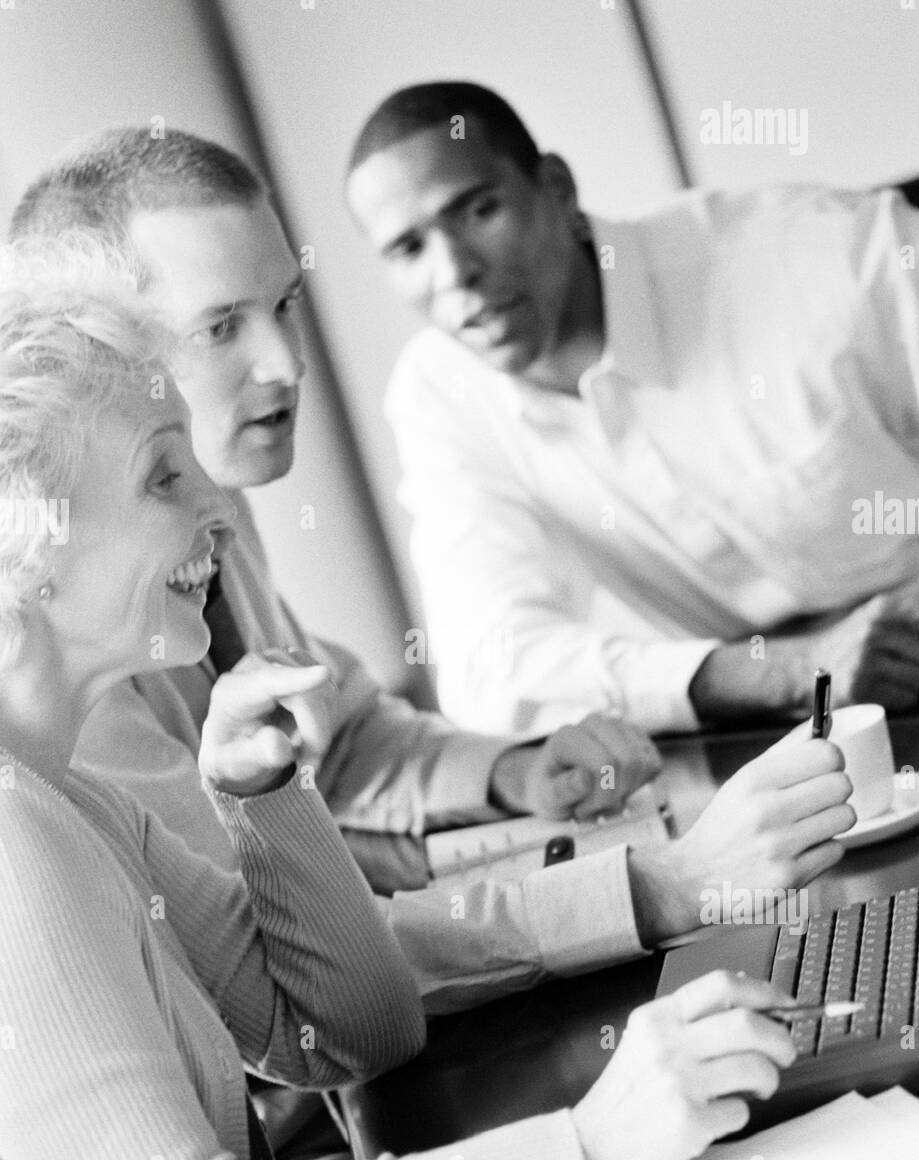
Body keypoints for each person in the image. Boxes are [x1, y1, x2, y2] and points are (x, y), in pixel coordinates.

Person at [0, 239, 807, 1160]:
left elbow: (349, 1029)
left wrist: (264, 796)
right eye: (162, 474)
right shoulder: (17, 838)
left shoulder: (75, 797)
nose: (214, 508)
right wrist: (591, 1148)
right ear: (27, 549)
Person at [10, 128, 854, 1036]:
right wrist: (661, 888)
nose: (287, 364)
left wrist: (513, 771)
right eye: (221, 326)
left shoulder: (211, 509)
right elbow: (283, 967)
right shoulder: (75, 635)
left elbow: (338, 738)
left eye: (284, 305)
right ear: (91, 352)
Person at [346, 81, 919, 739]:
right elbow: (488, 670)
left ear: (555, 188)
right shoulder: (441, 395)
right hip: (781, 728)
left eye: (478, 211)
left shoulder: (826, 253)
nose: (453, 273)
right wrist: (790, 671)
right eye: (408, 249)